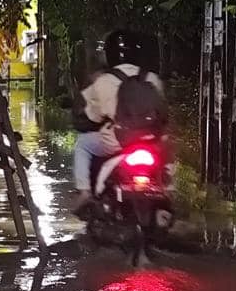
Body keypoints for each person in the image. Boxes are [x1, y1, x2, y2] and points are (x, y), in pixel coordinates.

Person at [72, 30, 169, 215]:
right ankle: (170, 191)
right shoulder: (153, 79)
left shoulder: (102, 81)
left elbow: (93, 116)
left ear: (110, 54)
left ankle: (84, 192)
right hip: (151, 142)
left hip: (117, 141)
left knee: (83, 144)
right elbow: (164, 114)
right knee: (168, 153)